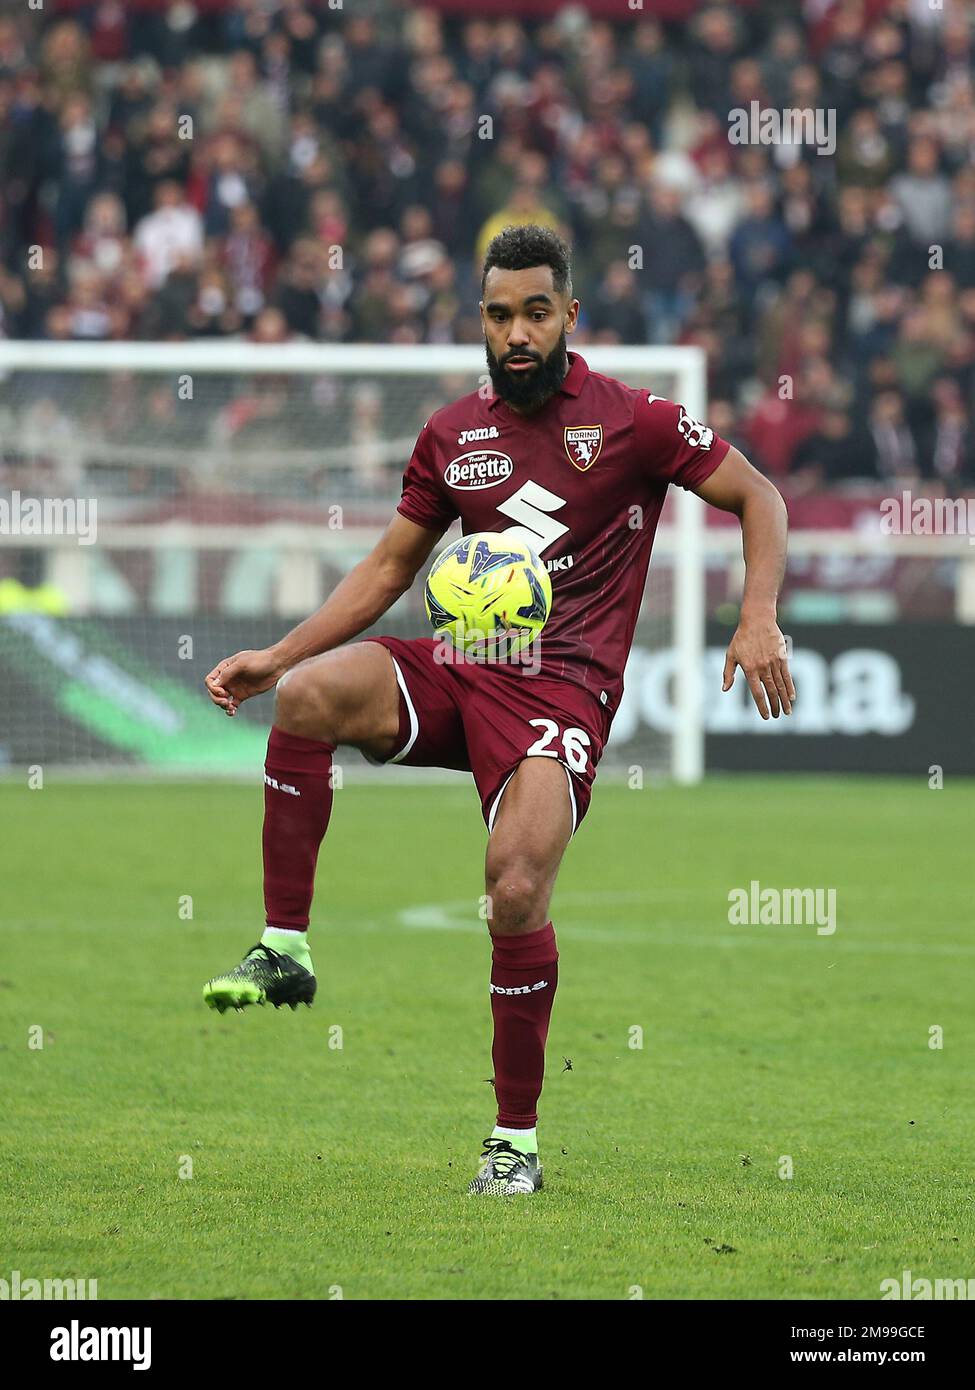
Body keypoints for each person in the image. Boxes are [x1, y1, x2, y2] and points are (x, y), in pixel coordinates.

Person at [202, 225, 795, 1196]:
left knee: (514, 887)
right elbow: (392, 565)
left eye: (534, 312)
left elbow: (758, 495)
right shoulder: (453, 432)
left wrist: (758, 614)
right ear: (481, 320)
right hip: (463, 666)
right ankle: (284, 948)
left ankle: (513, 1143)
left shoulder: (633, 421)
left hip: (562, 690)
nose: (516, 332)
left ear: (569, 316)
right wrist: (278, 654)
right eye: (498, 314)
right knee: (308, 697)